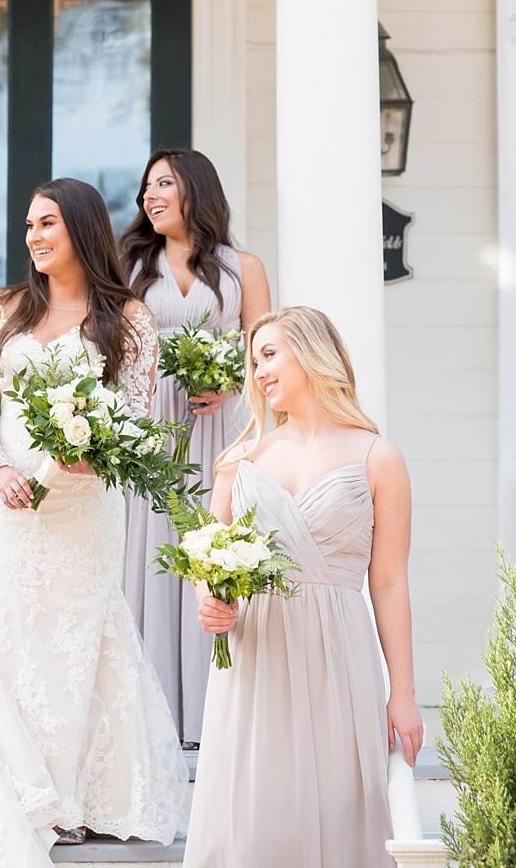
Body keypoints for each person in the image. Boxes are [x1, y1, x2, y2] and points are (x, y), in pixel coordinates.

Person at [0, 178, 188, 867]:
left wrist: (97, 456)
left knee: (78, 639)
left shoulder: (131, 319)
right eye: (29, 225)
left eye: (48, 223)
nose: (34, 236)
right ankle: (20, 794)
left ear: (81, 227)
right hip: (11, 505)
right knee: (1, 636)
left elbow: (137, 414)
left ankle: (74, 799)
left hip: (85, 505)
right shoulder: (4, 309)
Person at [184, 307, 422, 868]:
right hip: (256, 655)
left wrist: (404, 694)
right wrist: (209, 604)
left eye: (270, 354)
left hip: (337, 655)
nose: (257, 371)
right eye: (253, 359)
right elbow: (206, 562)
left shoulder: (377, 457)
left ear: (313, 353)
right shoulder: (239, 461)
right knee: (255, 813)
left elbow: (388, 583)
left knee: (337, 806)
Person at [117, 148, 270, 745]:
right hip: (153, 426)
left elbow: (264, 348)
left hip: (221, 427)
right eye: (146, 188)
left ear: (196, 192)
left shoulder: (242, 268)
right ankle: (152, 717)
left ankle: (219, 709)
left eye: (163, 185)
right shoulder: (130, 265)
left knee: (214, 548)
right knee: (151, 557)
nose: (150, 197)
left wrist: (229, 377)